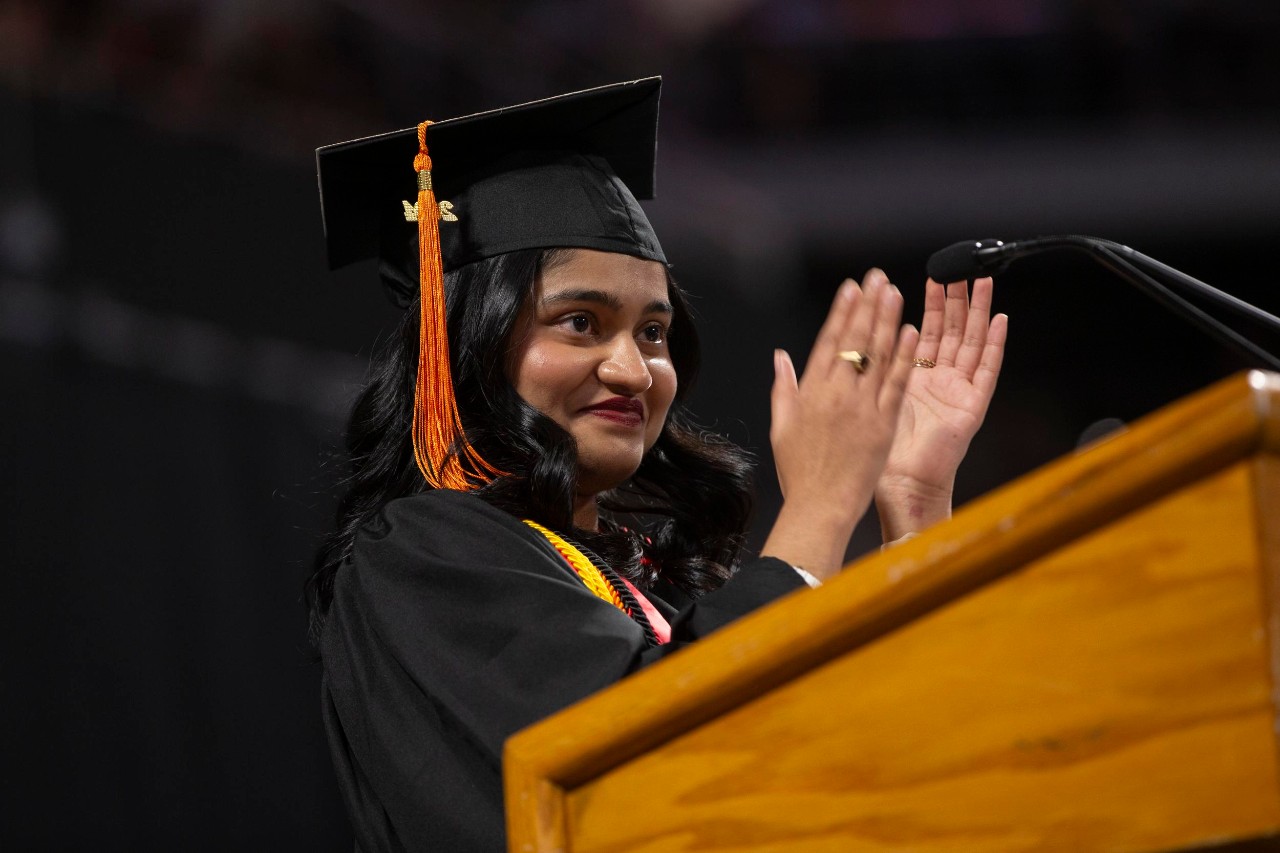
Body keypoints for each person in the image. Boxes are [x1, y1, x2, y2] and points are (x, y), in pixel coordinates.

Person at [307, 78, 1006, 852]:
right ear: (472, 342)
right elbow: (652, 778)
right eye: (581, 322)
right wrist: (818, 509)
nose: (634, 370)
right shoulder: (421, 556)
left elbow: (874, 776)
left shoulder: (652, 590)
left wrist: (912, 509)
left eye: (652, 332)